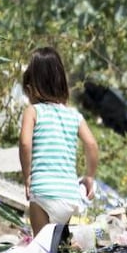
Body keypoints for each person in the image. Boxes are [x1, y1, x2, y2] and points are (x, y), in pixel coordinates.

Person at [19, 47, 99, 237]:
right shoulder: (74, 116)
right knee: (59, 246)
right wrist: (89, 176)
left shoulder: (33, 111)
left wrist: (27, 177)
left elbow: (24, 144)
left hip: (43, 192)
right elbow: (92, 145)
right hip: (69, 195)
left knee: (42, 246)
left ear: (31, 88)